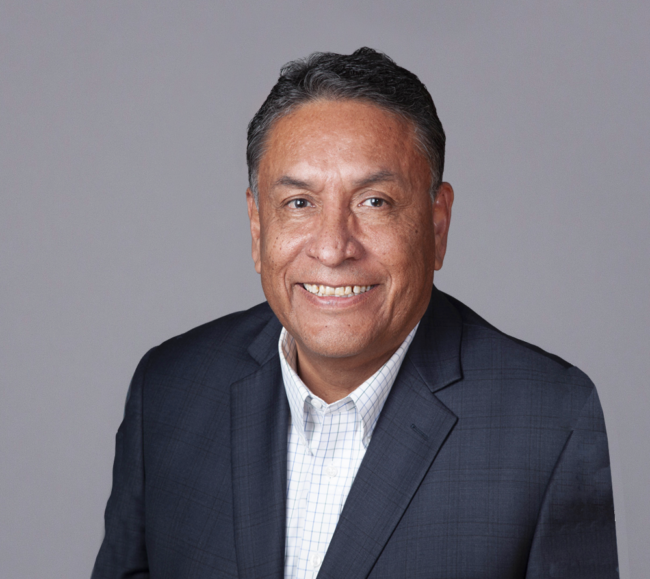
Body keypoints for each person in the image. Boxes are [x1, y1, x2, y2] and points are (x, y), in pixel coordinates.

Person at [92, 48, 618, 579]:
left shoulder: (549, 422)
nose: (332, 247)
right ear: (257, 226)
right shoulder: (169, 389)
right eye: (299, 203)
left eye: (374, 202)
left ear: (437, 225)